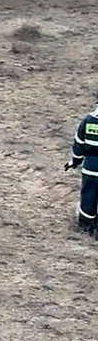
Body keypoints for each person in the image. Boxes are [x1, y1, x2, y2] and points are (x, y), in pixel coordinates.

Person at [68, 91, 98, 234]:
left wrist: (75, 161)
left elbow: (79, 144)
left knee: (88, 198)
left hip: (90, 168)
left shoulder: (88, 120)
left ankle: (85, 229)